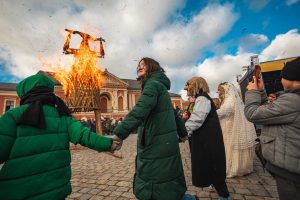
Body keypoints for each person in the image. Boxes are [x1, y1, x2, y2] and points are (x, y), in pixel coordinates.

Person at [0, 73, 119, 199]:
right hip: (56, 190)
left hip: (17, 192)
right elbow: (85, 135)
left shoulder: (13, 115)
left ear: (25, 92)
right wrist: (109, 143)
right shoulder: (63, 117)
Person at [111, 57, 192, 200]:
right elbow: (172, 113)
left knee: (155, 179)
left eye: (143, 64)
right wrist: (183, 133)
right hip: (164, 143)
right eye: (138, 65)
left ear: (152, 67)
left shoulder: (152, 85)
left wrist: (119, 134)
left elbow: (139, 110)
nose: (139, 67)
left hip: (155, 142)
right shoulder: (159, 86)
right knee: (167, 176)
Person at [244, 57, 300, 200]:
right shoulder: (292, 99)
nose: (281, 81)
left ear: (291, 79)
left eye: (283, 77)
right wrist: (261, 92)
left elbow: (253, 113)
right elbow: (269, 112)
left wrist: (252, 92)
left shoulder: (293, 100)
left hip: (290, 172)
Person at [184, 76, 231, 200]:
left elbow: (197, 119)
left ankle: (224, 196)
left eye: (188, 85)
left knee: (214, 167)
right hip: (206, 140)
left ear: (196, 85)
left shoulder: (202, 98)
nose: (185, 88)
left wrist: (182, 132)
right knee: (210, 166)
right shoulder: (200, 98)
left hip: (208, 141)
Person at [217, 82, 257, 178]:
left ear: (225, 89)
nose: (218, 92)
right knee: (231, 145)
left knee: (230, 145)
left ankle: (234, 168)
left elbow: (228, 110)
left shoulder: (230, 99)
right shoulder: (233, 98)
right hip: (229, 124)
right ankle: (240, 166)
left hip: (230, 126)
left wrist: (213, 114)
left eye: (219, 89)